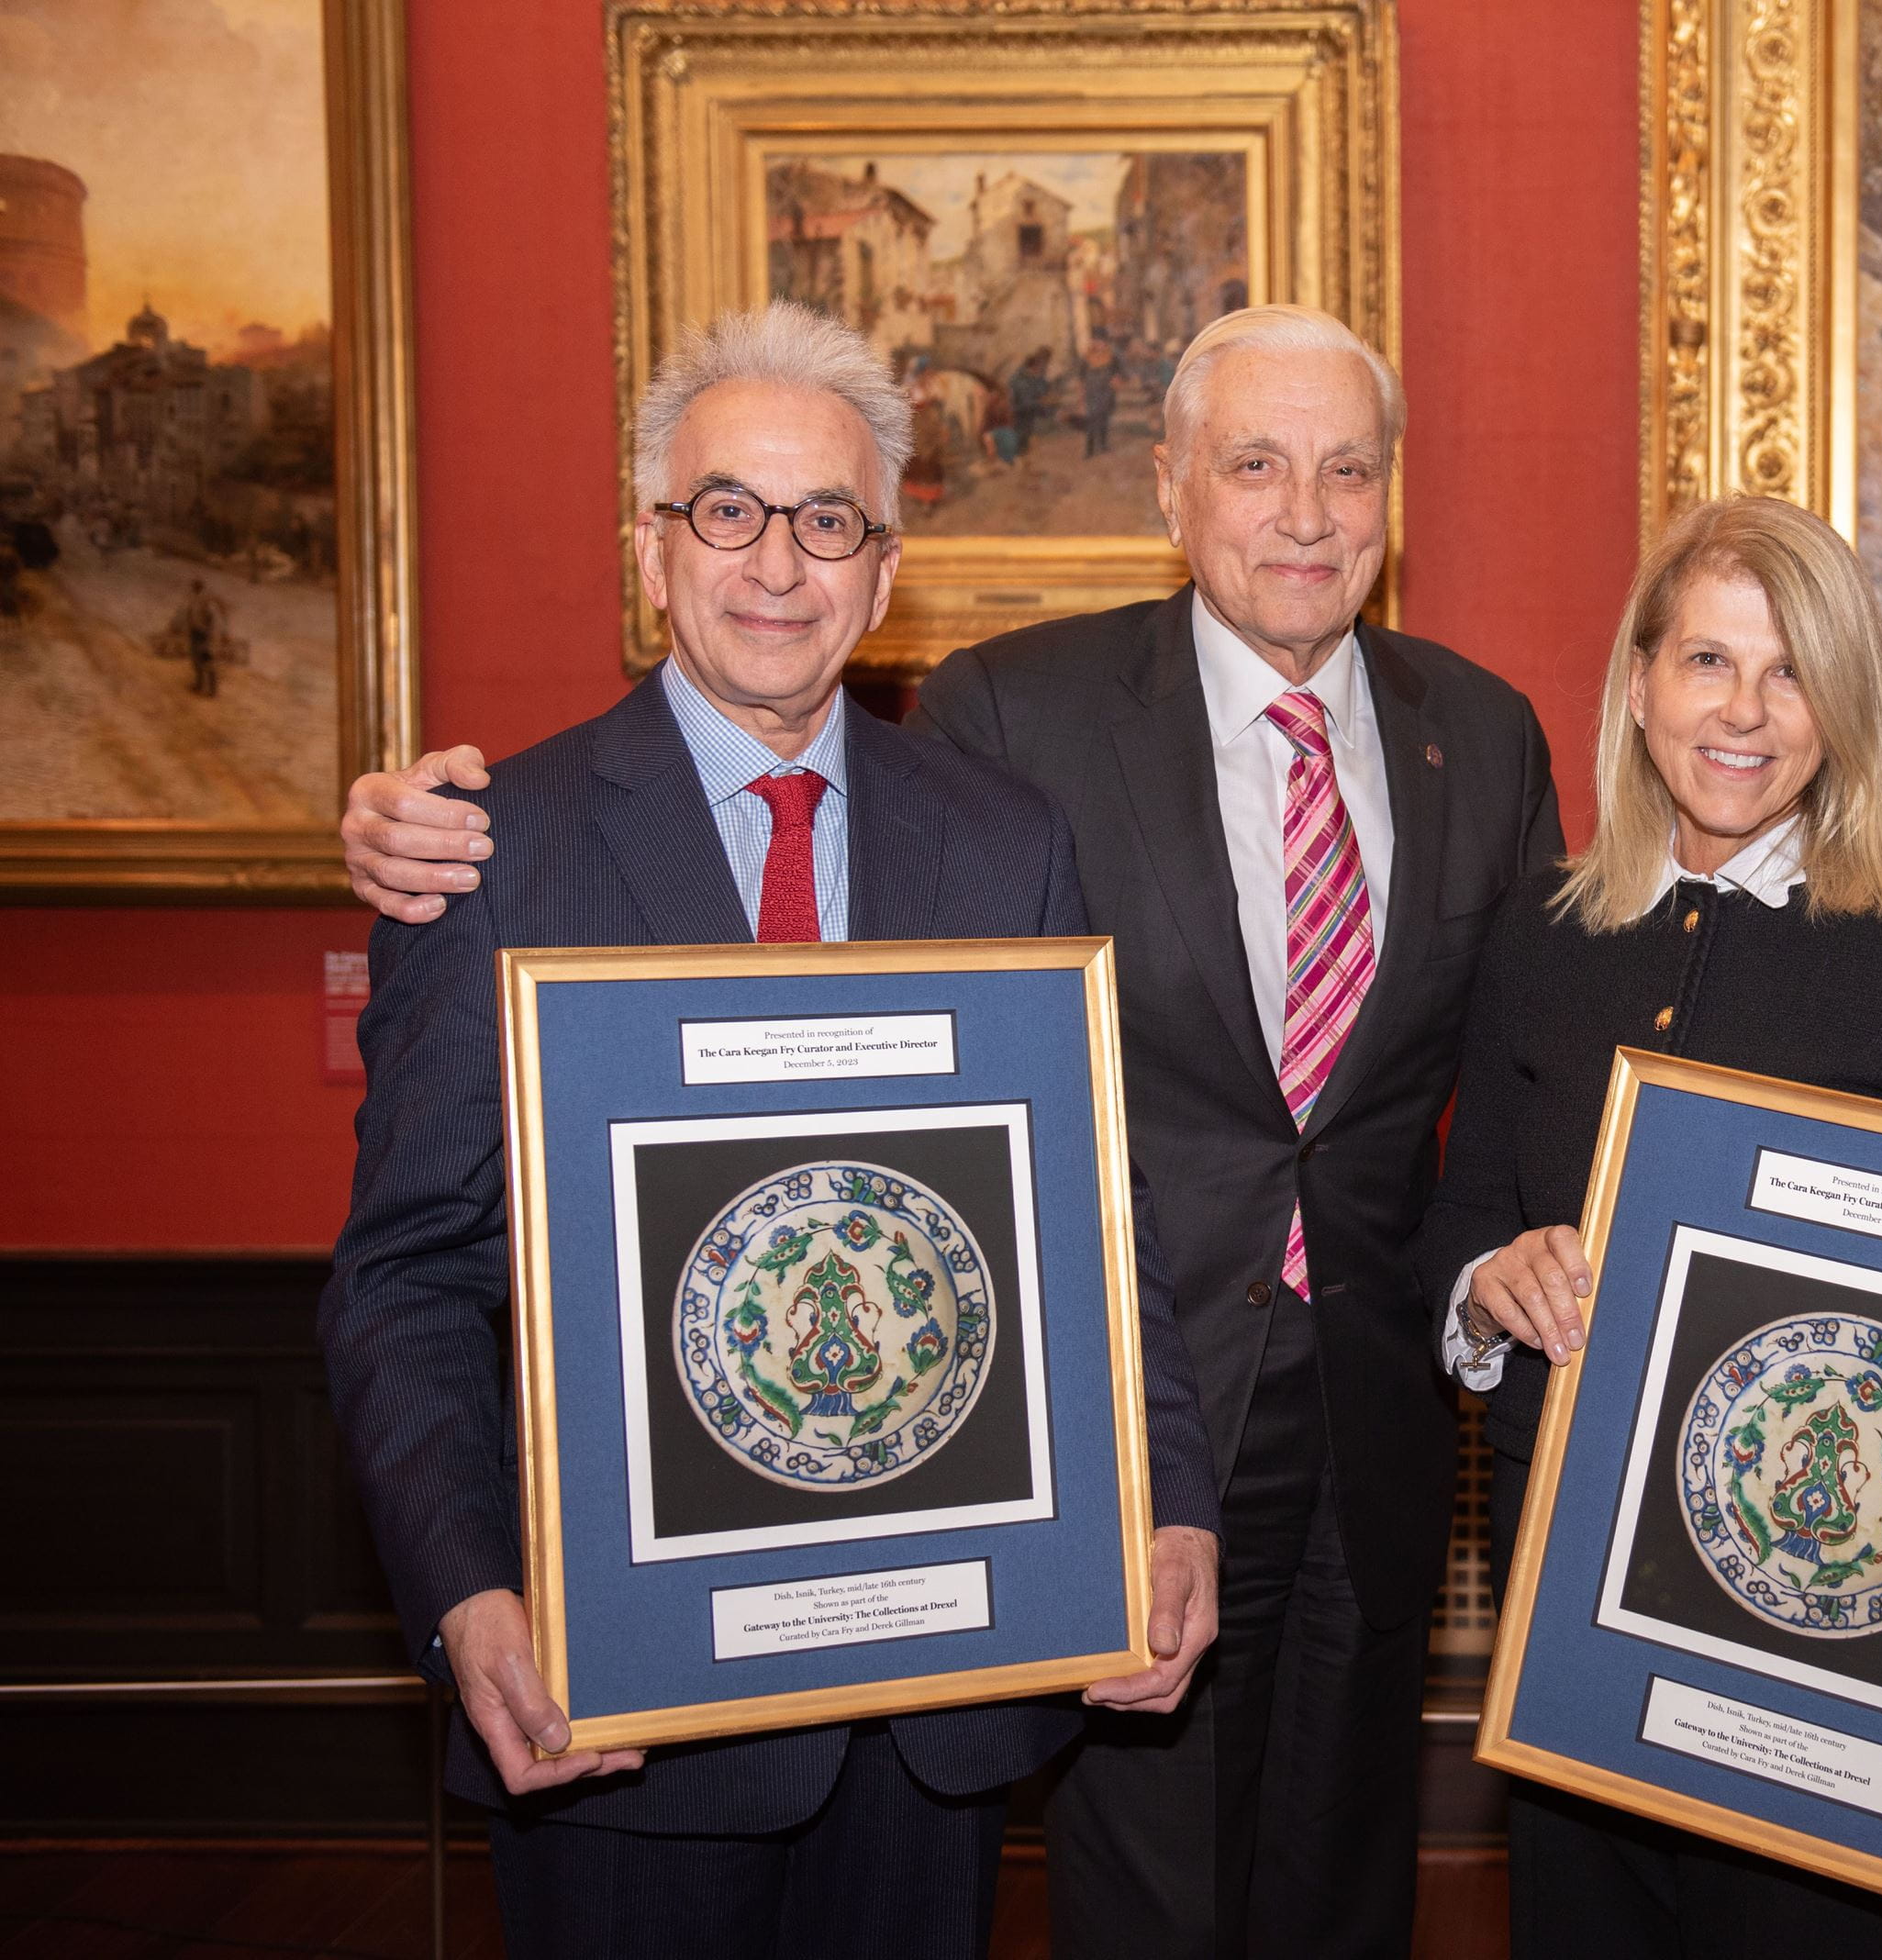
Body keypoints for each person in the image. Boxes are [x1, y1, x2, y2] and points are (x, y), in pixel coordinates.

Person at [338, 302, 1563, 1960]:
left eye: (828, 520)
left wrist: (1167, 1495)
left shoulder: (985, 838)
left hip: (942, 1681)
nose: (779, 564)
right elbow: (406, 1275)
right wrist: (470, 1590)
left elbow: (1083, 1205)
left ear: (883, 568)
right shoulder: (500, 851)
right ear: (649, 547)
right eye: (728, 511)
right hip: (622, 1685)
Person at [1415, 493, 1882, 1959]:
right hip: (1571, 1608)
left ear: (1843, 709)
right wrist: (1488, 1287)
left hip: (1833, 1641)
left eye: (1792, 674)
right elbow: (1455, 1223)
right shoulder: (1542, 932)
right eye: (1708, 663)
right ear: (1639, 686)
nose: (1746, 714)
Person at [172, 578, 227, 696]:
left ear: (201, 587)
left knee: (208, 661)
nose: (194, 588)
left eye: (196, 586)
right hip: (194, 633)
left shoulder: (207, 601)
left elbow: (214, 620)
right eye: (194, 586)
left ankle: (212, 691)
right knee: (196, 660)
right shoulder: (193, 599)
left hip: (205, 635)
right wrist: (184, 627)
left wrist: (211, 636)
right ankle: (199, 684)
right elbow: (189, 615)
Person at [1079, 338, 1119, 457]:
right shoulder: (1086, 358)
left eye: (1101, 342)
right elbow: (1081, 376)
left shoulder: (1111, 357)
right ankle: (1089, 449)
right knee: (1091, 420)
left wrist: (1115, 382)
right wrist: (1082, 392)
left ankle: (1103, 445)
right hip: (1091, 393)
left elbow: (1118, 372)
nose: (1098, 344)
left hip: (1106, 393)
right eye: (1096, 342)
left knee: (1104, 419)